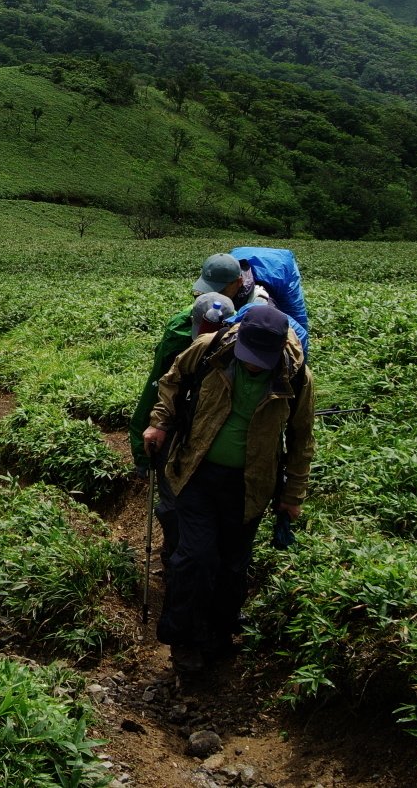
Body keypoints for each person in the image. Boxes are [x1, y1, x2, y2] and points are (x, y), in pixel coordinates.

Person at [142, 302, 314, 685]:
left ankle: (218, 636)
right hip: (196, 471)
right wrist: (160, 423)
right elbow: (171, 380)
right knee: (196, 557)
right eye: (249, 357)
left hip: (253, 483)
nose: (253, 365)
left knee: (232, 564)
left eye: (260, 360)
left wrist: (293, 494)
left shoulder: (296, 375)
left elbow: (302, 439)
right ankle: (183, 639)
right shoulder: (210, 348)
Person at [127, 253, 253, 471]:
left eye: (220, 288)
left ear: (238, 283)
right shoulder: (181, 329)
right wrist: (143, 447)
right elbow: (158, 385)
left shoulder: (255, 309)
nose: (210, 293)